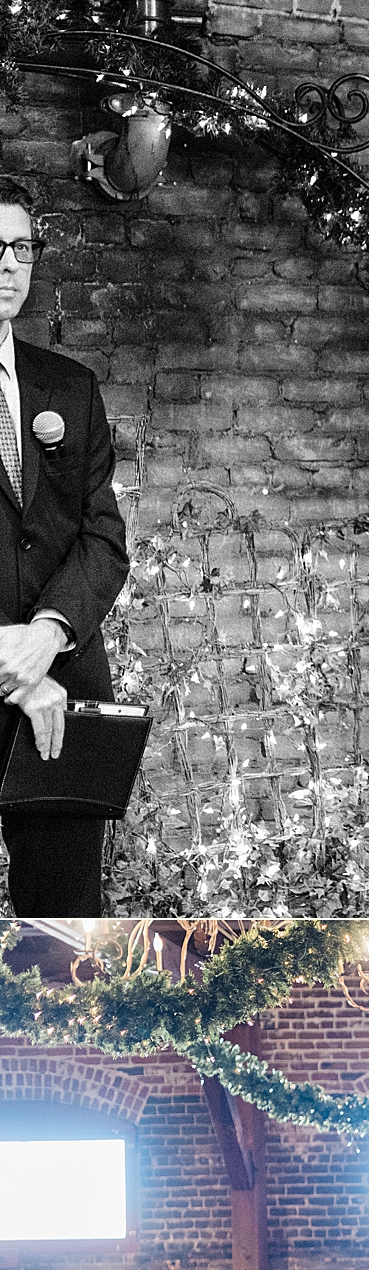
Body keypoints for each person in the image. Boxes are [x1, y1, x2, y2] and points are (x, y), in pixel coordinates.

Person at [0, 175, 130, 917]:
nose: (9, 263)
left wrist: (46, 638)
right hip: (23, 679)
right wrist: (6, 662)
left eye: (22, 246)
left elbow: (102, 537)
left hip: (62, 695)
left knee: (66, 929)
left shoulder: (70, 388)